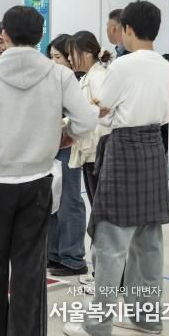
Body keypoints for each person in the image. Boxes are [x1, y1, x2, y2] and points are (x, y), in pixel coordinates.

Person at [0, 6, 97, 336]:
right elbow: (86, 120)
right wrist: (65, 133)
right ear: (41, 35)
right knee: (30, 268)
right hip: (37, 182)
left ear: (4, 34)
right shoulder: (59, 75)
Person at [64, 1, 169, 336]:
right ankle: (147, 318)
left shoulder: (123, 66)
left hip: (124, 149)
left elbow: (104, 111)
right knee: (149, 244)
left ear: (127, 29)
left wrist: (91, 109)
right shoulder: (164, 65)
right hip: (154, 149)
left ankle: (97, 325)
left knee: (110, 245)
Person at [45, 33, 88, 277]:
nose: (54, 62)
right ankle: (54, 253)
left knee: (69, 201)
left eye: (58, 57)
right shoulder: (50, 81)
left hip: (69, 147)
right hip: (50, 147)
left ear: (70, 58)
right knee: (52, 201)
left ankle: (73, 258)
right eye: (51, 57)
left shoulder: (77, 83)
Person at [67, 31, 112, 206]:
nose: (69, 58)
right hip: (90, 151)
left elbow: (104, 113)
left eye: (72, 53)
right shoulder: (87, 76)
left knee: (100, 205)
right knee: (96, 203)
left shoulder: (98, 77)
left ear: (87, 53)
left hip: (97, 151)